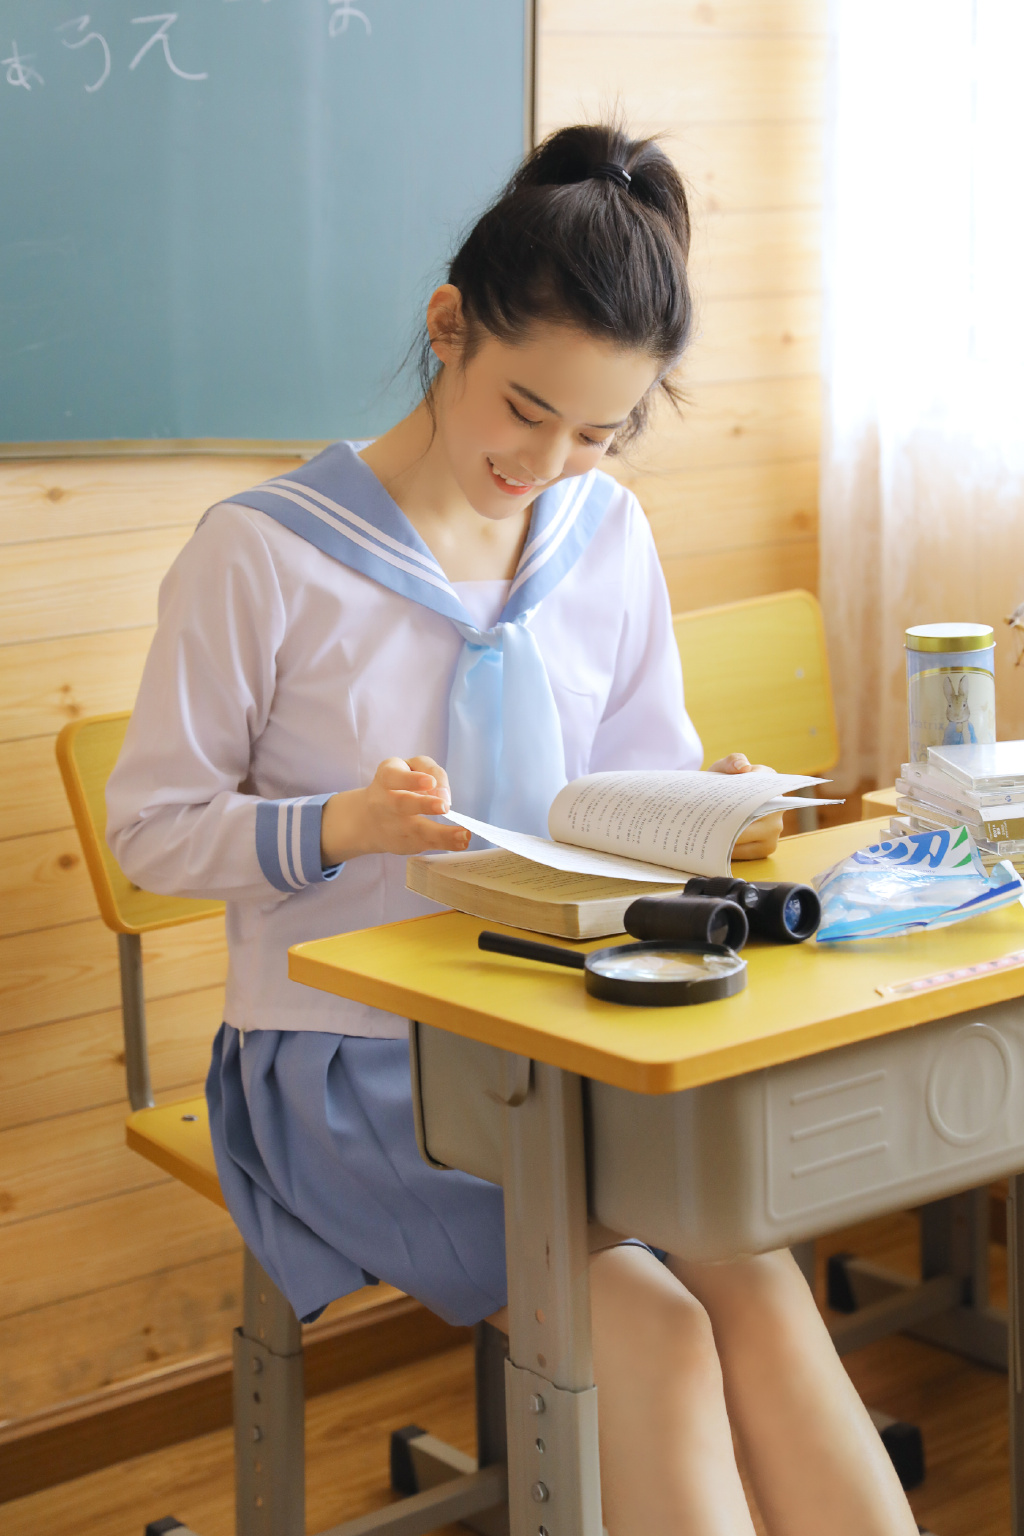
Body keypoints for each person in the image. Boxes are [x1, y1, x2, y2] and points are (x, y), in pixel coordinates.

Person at [107, 123, 917, 1536]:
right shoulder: (264, 553)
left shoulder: (603, 533)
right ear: (447, 329)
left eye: (597, 432)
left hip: (568, 1029)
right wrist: (340, 826)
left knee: (753, 1266)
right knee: (652, 1334)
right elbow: (155, 831)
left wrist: (700, 805)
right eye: (524, 409)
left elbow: (626, 782)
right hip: (348, 1071)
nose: (546, 460)